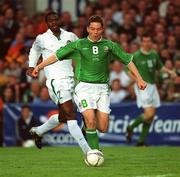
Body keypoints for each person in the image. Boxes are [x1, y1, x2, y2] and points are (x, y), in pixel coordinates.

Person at [31, 15, 147, 150]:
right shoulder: (79, 44)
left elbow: (128, 61)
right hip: (83, 88)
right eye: (92, 29)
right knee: (90, 119)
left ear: (102, 30)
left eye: (98, 29)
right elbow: (56, 56)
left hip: (103, 88)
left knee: (103, 127)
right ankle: (94, 152)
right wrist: (38, 67)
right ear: (88, 29)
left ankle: (86, 128)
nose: (95, 32)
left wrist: (139, 78)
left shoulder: (109, 46)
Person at [27, 11, 91, 155]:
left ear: (60, 20)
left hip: (71, 79)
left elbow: (82, 51)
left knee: (63, 117)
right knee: (71, 115)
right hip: (56, 81)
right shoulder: (42, 38)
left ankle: (38, 131)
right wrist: (32, 66)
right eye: (50, 21)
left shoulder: (70, 36)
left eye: (56, 19)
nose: (54, 22)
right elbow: (34, 50)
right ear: (47, 23)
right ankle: (88, 151)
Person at [125, 34, 177, 146]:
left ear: (151, 43)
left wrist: (169, 72)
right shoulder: (136, 56)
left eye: (149, 41)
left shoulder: (154, 54)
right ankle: (130, 127)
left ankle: (140, 141)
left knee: (151, 115)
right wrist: (138, 80)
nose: (147, 43)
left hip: (152, 86)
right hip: (143, 86)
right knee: (149, 113)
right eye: (144, 41)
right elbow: (128, 71)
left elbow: (160, 67)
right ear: (141, 43)